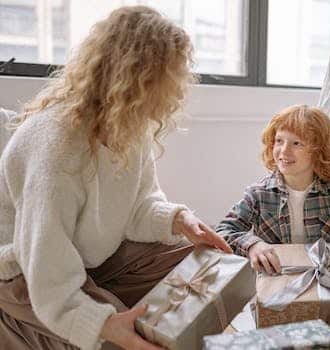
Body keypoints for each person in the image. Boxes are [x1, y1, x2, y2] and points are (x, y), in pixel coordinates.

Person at [0, 6, 232, 350]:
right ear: (138, 77)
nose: (178, 92)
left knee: (201, 268)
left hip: (88, 256)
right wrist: (104, 323)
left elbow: (139, 204)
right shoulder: (56, 145)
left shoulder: (129, 126)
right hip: (24, 266)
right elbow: (46, 262)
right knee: (123, 336)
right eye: (172, 78)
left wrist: (179, 220)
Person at [216, 104, 330, 275]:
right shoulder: (257, 195)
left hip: (323, 283)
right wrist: (253, 245)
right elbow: (223, 231)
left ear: (318, 151)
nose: (284, 151)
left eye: (297, 144)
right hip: (275, 282)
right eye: (279, 141)